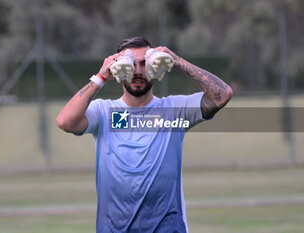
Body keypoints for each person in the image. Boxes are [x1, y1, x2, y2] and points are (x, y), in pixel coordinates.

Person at [56, 36, 232, 233]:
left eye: (144, 64)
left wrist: (178, 62)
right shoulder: (106, 112)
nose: (138, 71)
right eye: (131, 65)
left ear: (154, 66)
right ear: (118, 68)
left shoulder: (173, 110)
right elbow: (65, 121)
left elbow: (222, 95)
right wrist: (101, 77)